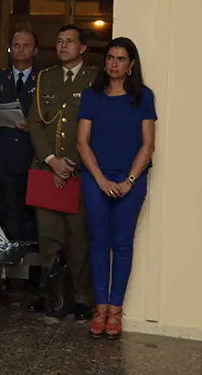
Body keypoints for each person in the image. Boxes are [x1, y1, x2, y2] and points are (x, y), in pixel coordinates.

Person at [77, 37, 156, 339]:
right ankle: (100, 310)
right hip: (95, 179)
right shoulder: (91, 95)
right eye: (110, 57)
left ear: (131, 64)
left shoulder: (143, 97)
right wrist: (101, 180)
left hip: (131, 181)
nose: (114, 63)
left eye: (121, 59)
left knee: (122, 244)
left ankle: (115, 312)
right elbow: (82, 142)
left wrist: (128, 182)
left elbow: (148, 145)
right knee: (99, 243)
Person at [27, 24, 98, 320]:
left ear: (83, 47)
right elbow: (35, 123)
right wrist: (52, 160)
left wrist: (70, 164)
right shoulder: (46, 77)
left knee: (78, 238)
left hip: (78, 171)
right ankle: (51, 294)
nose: (63, 46)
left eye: (69, 41)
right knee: (48, 236)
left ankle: (82, 297)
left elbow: (98, 128)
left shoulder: (94, 79)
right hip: (47, 169)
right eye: (59, 41)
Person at [0, 30, 40, 241]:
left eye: (26, 45)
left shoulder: (43, 80)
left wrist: (33, 127)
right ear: (10, 49)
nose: (20, 49)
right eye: (16, 45)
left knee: (32, 219)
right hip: (3, 158)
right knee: (6, 218)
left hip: (32, 158)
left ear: (35, 50)